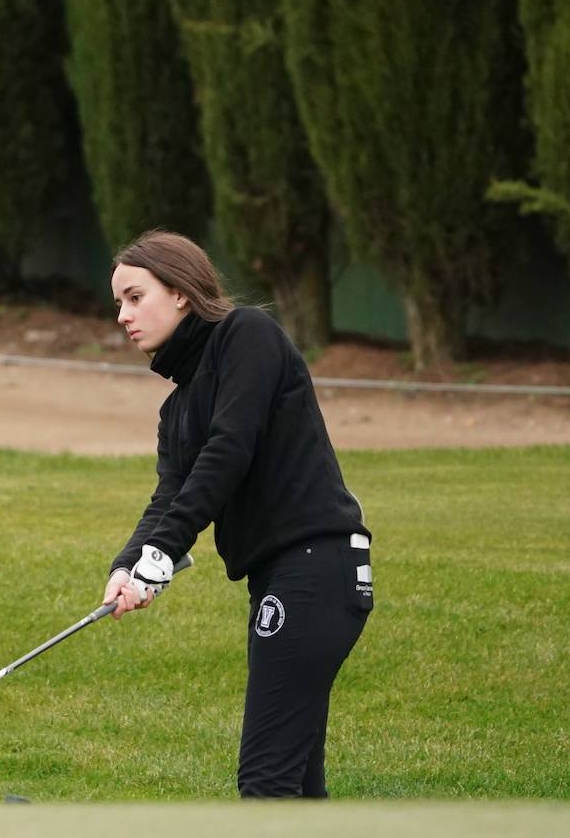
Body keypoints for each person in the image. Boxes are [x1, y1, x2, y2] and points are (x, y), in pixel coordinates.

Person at [101, 229, 372, 799]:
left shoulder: (247, 335)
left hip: (316, 568)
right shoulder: (177, 408)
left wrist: (163, 553)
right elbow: (170, 496)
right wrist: (128, 565)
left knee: (266, 781)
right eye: (119, 302)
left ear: (180, 291)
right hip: (279, 576)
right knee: (297, 783)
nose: (123, 316)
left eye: (135, 297)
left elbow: (230, 448)